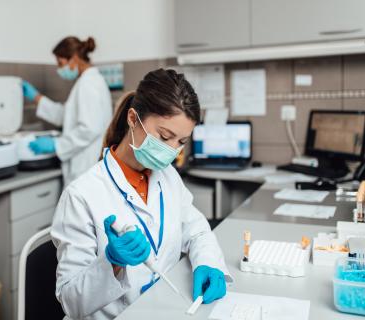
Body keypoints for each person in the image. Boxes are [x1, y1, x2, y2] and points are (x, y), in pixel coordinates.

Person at [51, 68, 232, 320]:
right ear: (133, 119)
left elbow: (197, 229)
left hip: (164, 309)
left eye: (181, 142)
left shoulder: (167, 176)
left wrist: (208, 263)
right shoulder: (81, 195)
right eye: (165, 136)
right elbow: (70, 301)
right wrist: (112, 263)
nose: (172, 151)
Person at [22, 36, 112, 186]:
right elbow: (68, 116)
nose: (59, 69)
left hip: (85, 165)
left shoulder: (88, 84)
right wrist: (36, 97)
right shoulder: (89, 81)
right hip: (86, 164)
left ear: (74, 58)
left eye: (61, 63)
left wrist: (57, 145)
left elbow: (89, 129)